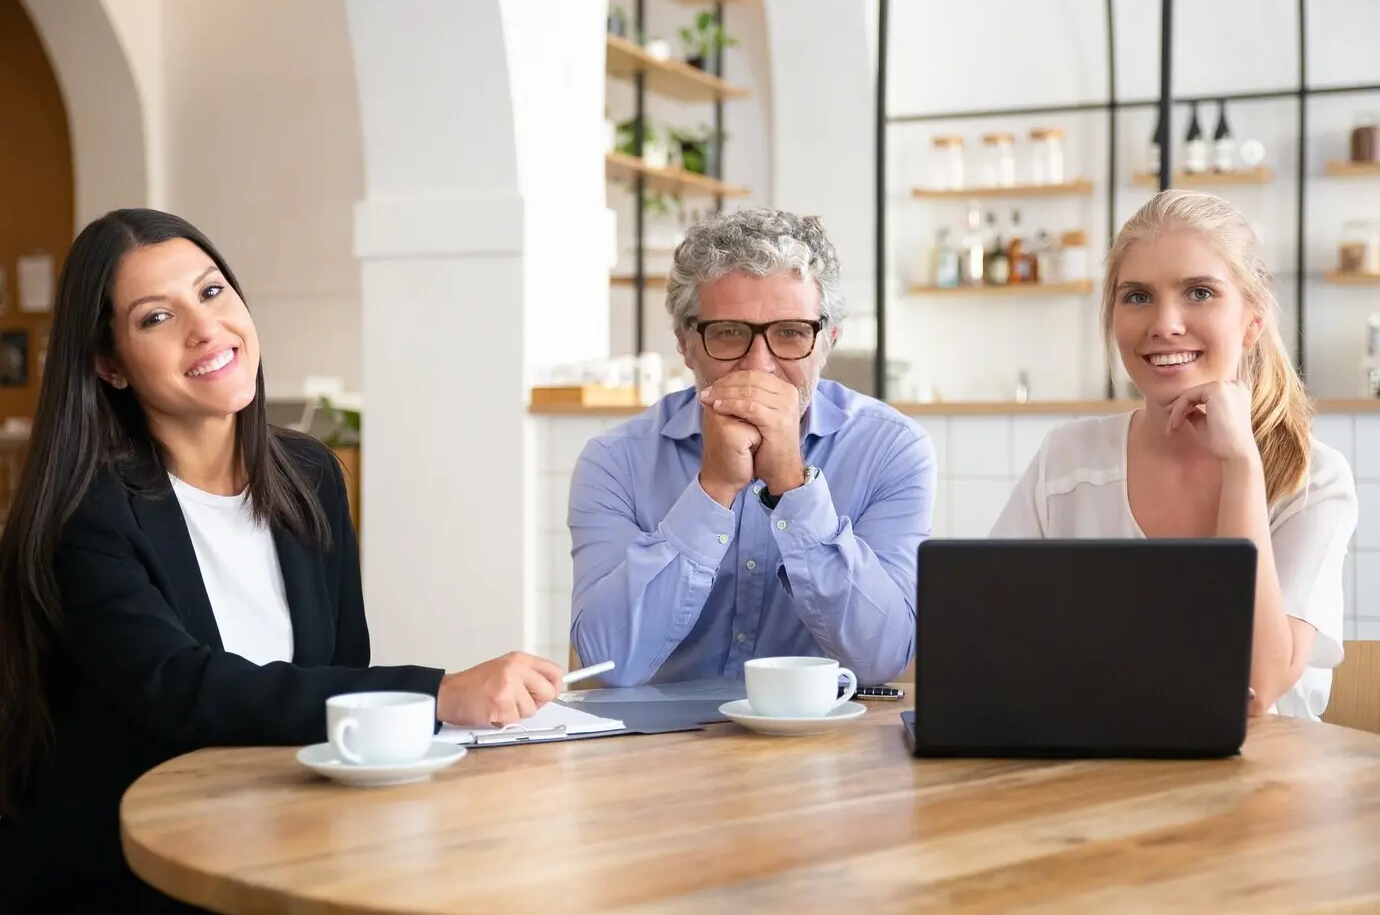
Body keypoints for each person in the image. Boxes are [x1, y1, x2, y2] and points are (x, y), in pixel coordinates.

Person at [0, 209, 566, 913]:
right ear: (107, 364)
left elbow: (340, 674)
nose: (204, 328)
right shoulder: (88, 509)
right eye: (155, 318)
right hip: (128, 875)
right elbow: (182, 690)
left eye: (211, 293)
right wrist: (439, 693)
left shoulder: (309, 474)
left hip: (283, 842)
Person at [990, 190, 1357, 720]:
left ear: (1253, 317)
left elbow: (1259, 687)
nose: (1164, 323)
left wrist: (1241, 465)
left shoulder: (1314, 479)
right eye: (1137, 296)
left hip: (1266, 785)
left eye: (1200, 292)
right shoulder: (1067, 460)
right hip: (1095, 775)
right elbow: (990, 641)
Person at [569, 208, 936, 688]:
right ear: (686, 344)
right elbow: (606, 663)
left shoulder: (893, 450)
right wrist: (713, 489)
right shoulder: (615, 461)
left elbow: (883, 659)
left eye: (790, 334)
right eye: (729, 333)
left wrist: (793, 485)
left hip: (830, 746)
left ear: (827, 342)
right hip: (658, 747)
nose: (759, 366)